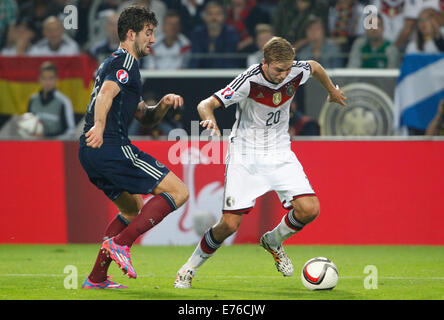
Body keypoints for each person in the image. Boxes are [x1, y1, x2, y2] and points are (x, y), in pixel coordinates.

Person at [174, 36, 347, 289]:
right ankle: (188, 269)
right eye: (279, 70)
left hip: (279, 151)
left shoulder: (294, 71)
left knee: (310, 209)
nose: (284, 75)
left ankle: (273, 241)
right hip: (246, 154)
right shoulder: (249, 80)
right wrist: (209, 118)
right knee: (229, 225)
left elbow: (315, 66)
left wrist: (331, 91)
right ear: (265, 63)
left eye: (288, 69)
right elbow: (205, 104)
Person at [79, 6, 189, 289]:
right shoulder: (125, 63)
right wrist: (101, 127)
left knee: (131, 209)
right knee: (179, 191)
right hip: (111, 145)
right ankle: (122, 244)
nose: (153, 39)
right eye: (149, 33)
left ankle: (97, 277)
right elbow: (106, 94)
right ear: (131, 34)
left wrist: (162, 105)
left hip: (90, 151)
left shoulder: (112, 63)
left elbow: (145, 116)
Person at [27, 61, 76, 138]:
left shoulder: (64, 101)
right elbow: (28, 126)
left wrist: (52, 142)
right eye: (44, 78)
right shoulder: (33, 100)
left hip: (56, 147)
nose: (47, 82)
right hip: (35, 146)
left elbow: (70, 131)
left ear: (56, 79)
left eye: (51, 78)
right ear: (39, 79)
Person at [188, 1, 240, 69]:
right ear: (204, 17)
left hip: (225, 75)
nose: (214, 18)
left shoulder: (230, 33)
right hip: (201, 75)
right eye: (210, 14)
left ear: (223, 16)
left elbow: (228, 60)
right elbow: (195, 60)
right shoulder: (198, 33)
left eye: (218, 14)